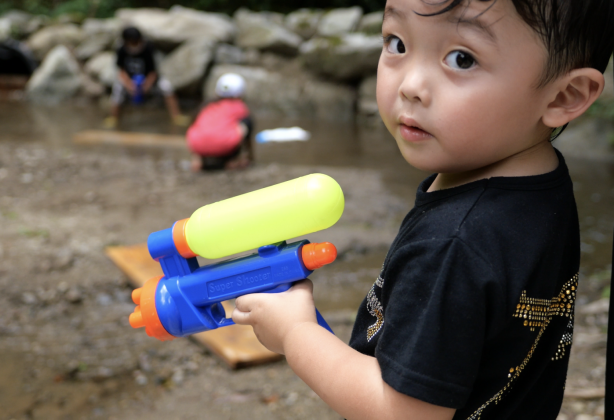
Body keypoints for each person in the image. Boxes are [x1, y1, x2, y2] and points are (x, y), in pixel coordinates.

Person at [230, 0, 614, 419]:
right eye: (397, 43)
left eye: (461, 59)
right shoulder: (541, 188)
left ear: (565, 95)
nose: (410, 84)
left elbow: (402, 412)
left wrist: (295, 332)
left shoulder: (453, 244)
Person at [104, 27, 187, 129]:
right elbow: (121, 71)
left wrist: (147, 85)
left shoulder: (148, 48)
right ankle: (113, 117)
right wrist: (129, 85)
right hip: (129, 79)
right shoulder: (121, 50)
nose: (135, 44)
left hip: (149, 78)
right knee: (117, 90)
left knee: (166, 86)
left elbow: (153, 71)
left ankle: (176, 116)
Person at [186, 73, 253, 171]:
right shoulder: (239, 107)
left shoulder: (207, 105)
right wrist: (250, 156)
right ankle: (233, 161)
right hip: (224, 147)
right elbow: (247, 131)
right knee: (246, 123)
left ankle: (198, 160)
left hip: (197, 145)